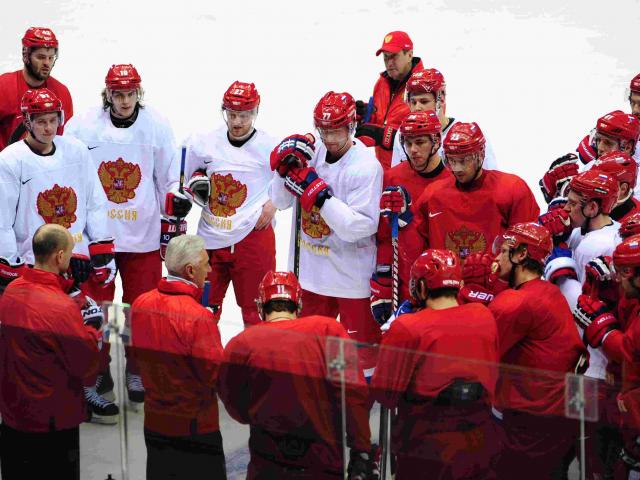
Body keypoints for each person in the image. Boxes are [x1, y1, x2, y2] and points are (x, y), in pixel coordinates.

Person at [65, 63, 183, 410]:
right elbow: (71, 176)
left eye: (130, 93)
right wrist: (76, 235)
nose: (125, 100)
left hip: (142, 237)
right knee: (97, 311)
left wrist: (171, 220)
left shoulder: (157, 124)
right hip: (98, 236)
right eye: (119, 94)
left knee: (140, 310)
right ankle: (99, 372)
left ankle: (137, 369)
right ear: (109, 95)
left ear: (138, 93)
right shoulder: (84, 125)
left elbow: (168, 179)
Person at [0, 87, 116, 420]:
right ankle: (30, 399)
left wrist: (101, 247)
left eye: (53, 120)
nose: (49, 127)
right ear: (27, 122)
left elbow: (94, 200)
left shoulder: (75, 150)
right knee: (34, 338)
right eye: (41, 121)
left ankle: (86, 388)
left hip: (72, 261)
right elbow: (2, 220)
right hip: (32, 267)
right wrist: (9, 266)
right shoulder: (10, 160)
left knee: (90, 323)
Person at [269, 91, 383, 377]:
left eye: (336, 131)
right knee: (308, 355)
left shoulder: (367, 166)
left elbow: (359, 227)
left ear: (352, 126)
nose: (329, 138)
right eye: (324, 130)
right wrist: (282, 173)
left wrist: (320, 197)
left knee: (362, 359)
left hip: (351, 280)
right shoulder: (311, 153)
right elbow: (280, 202)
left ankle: (363, 400)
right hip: (310, 277)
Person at [218, 271, 374, 479]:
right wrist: (361, 449)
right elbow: (352, 392)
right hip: (322, 466)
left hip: (266, 468)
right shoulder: (328, 331)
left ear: (261, 306)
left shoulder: (241, 344)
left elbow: (234, 403)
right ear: (298, 304)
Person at [371, 249, 499, 479]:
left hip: (426, 449)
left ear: (421, 287)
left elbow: (384, 393)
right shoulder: (484, 316)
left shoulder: (409, 327)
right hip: (480, 440)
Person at [485, 222, 586, 480]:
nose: (496, 258)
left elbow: (479, 356)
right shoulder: (550, 291)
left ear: (521, 255)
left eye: (503, 251)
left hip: (531, 420)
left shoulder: (516, 302)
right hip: (558, 414)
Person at [0, 224, 100, 480]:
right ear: (60, 256)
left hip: (14, 414)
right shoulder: (62, 308)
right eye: (70, 252)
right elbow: (85, 366)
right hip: (53, 421)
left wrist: (68, 288)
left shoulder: (11, 291)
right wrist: (92, 327)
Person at [179, 81, 276, 327]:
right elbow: (182, 177)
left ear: (255, 112)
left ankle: (254, 354)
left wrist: (275, 202)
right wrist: (193, 183)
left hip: (253, 237)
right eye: (232, 114)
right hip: (211, 237)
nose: (237, 122)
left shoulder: (270, 147)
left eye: (244, 115)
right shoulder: (204, 143)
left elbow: (291, 177)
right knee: (201, 311)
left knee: (257, 313)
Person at [130, 234, 226, 480]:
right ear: (191, 270)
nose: (210, 270)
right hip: (194, 427)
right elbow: (216, 375)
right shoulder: (198, 317)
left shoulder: (140, 303)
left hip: (154, 422)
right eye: (206, 264)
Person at [414, 121, 539, 261]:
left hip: (494, 275)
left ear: (480, 155)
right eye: (452, 161)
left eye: (463, 161)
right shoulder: (432, 195)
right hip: (445, 275)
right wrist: (403, 218)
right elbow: (415, 247)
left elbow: (527, 248)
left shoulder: (512, 189)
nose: (457, 168)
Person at [370, 110, 451, 325]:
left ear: (436, 141)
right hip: (404, 283)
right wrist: (384, 277)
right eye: (408, 143)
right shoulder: (393, 177)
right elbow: (383, 235)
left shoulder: (452, 181)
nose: (413, 150)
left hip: (441, 288)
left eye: (420, 142)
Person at [383, 68, 498, 170]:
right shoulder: (403, 133)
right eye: (413, 102)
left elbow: (489, 177)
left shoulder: (468, 134)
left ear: (441, 100)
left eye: (424, 101)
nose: (417, 108)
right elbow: (398, 176)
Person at [355, 31, 424, 169]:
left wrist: (385, 135)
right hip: (383, 167)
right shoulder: (382, 83)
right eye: (386, 57)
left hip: (412, 170)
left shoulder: (424, 85)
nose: (389, 63)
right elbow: (383, 118)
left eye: (394, 56)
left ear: (409, 55)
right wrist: (367, 114)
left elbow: (428, 134)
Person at [0, 27, 73, 151]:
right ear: (25, 55)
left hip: (45, 161)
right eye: (41, 57)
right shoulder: (3, 86)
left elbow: (64, 140)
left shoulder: (61, 92)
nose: (47, 63)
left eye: (51, 58)